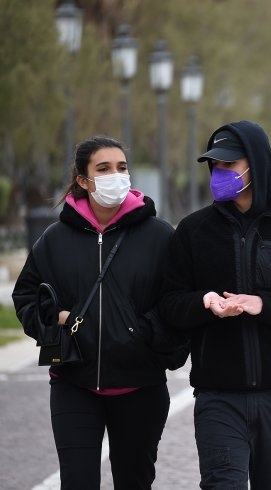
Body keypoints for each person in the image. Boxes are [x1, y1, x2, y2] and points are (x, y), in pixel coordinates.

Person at [158, 120, 271, 489]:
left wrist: (264, 305)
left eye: (230, 165)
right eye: (215, 166)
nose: (219, 173)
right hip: (217, 394)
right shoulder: (192, 232)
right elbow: (169, 303)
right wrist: (204, 303)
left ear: (255, 166)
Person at [12, 135, 188, 489]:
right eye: (104, 169)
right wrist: (56, 321)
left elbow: (176, 302)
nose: (116, 176)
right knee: (77, 482)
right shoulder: (54, 238)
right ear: (82, 180)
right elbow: (27, 297)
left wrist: (143, 334)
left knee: (133, 481)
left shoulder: (159, 236)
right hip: (74, 384)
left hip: (141, 388)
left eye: (122, 168)